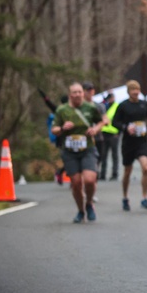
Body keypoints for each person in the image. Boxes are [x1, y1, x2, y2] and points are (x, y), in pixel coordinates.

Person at [51, 82, 104, 223]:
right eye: (74, 92)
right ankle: (81, 210)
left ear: (83, 93)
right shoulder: (62, 110)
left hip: (88, 148)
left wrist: (95, 130)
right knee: (75, 183)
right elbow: (54, 129)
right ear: (70, 95)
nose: (77, 94)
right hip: (69, 151)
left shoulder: (90, 108)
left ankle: (89, 204)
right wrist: (63, 128)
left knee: (90, 180)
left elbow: (101, 122)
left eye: (79, 92)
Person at [111, 80, 147, 211]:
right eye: (133, 90)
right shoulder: (123, 106)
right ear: (128, 91)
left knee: (146, 168)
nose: (136, 92)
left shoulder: (144, 105)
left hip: (141, 142)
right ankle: (125, 197)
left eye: (138, 89)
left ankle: (145, 198)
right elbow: (115, 122)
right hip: (128, 143)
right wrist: (125, 128)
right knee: (127, 171)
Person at [99, 91, 120, 181]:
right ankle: (102, 174)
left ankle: (114, 174)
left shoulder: (117, 106)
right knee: (103, 154)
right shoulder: (104, 106)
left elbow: (120, 119)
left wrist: (118, 132)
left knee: (114, 155)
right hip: (104, 133)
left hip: (113, 133)